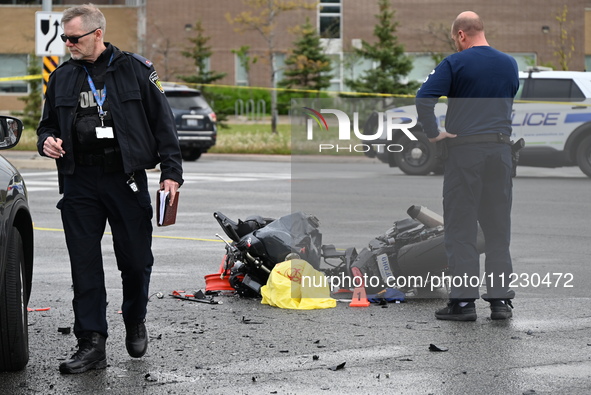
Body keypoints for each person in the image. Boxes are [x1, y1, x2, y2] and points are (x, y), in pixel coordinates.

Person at [36, 4, 183, 373]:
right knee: (84, 266)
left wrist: (172, 172)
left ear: (97, 34)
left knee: (135, 261)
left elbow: (163, 123)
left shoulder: (136, 70)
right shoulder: (62, 76)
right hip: (79, 180)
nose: (67, 43)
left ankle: (135, 318)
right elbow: (46, 125)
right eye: (64, 37)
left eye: (74, 38)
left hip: (125, 178)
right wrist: (47, 142)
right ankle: (91, 343)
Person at [415, 11, 519, 321]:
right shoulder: (510, 63)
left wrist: (434, 134)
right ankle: (501, 303)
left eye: (454, 39)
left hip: (465, 154)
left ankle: (463, 304)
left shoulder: (455, 63)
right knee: (498, 230)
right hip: (501, 153)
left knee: (461, 229)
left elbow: (424, 98)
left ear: (462, 35)